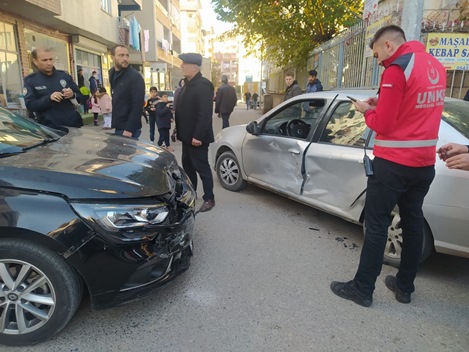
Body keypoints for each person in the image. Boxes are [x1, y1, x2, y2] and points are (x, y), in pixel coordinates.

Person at [330, 25, 446, 307]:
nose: (378, 60)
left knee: (377, 224)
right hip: (424, 164)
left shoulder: (396, 69)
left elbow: (383, 124)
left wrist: (366, 110)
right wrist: (380, 100)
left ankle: (362, 289)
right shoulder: (435, 66)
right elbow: (413, 105)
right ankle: (404, 287)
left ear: (390, 46)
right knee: (413, 220)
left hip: (393, 164)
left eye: (377, 54)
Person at [175, 53, 215, 213]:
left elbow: (205, 113)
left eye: (184, 63)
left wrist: (197, 136)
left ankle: (209, 198)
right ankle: (192, 193)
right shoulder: (187, 84)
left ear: (195, 66)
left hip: (197, 138)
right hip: (186, 136)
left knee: (202, 167)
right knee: (188, 166)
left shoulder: (204, 85)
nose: (181, 66)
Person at [24, 47, 84, 131]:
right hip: (49, 129)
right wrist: (49, 98)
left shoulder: (65, 76)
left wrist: (72, 95)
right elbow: (30, 105)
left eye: (51, 59)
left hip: (72, 126)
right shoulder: (31, 80)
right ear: (35, 61)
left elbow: (81, 98)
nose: (49, 63)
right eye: (44, 60)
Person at [109, 45, 145, 139]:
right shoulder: (111, 73)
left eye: (127, 55)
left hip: (129, 129)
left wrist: (129, 129)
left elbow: (138, 105)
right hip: (118, 125)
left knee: (128, 154)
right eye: (121, 55)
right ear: (112, 57)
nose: (125, 58)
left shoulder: (135, 77)